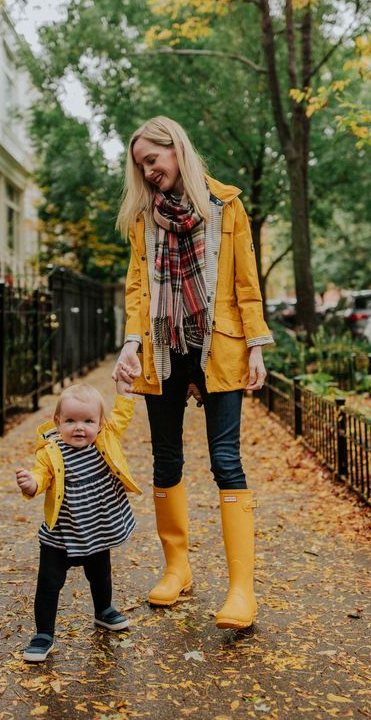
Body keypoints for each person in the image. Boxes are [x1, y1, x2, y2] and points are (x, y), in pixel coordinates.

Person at [112, 116, 273, 630]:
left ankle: (241, 590)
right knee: (165, 460)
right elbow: (137, 288)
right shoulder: (143, 219)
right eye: (141, 166)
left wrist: (256, 346)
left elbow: (246, 282)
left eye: (152, 160)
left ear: (176, 149)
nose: (148, 172)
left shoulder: (226, 206)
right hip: (163, 348)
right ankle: (176, 569)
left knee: (226, 461)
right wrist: (131, 343)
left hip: (218, 346)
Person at [15, 380, 141, 662]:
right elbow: (41, 475)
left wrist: (124, 394)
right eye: (70, 421)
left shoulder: (105, 439)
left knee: (100, 572)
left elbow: (121, 417)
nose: (79, 428)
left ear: (100, 423)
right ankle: (43, 633)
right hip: (62, 533)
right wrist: (31, 484)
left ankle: (103, 610)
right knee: (49, 583)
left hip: (97, 527)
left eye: (88, 421)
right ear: (57, 422)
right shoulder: (51, 452)